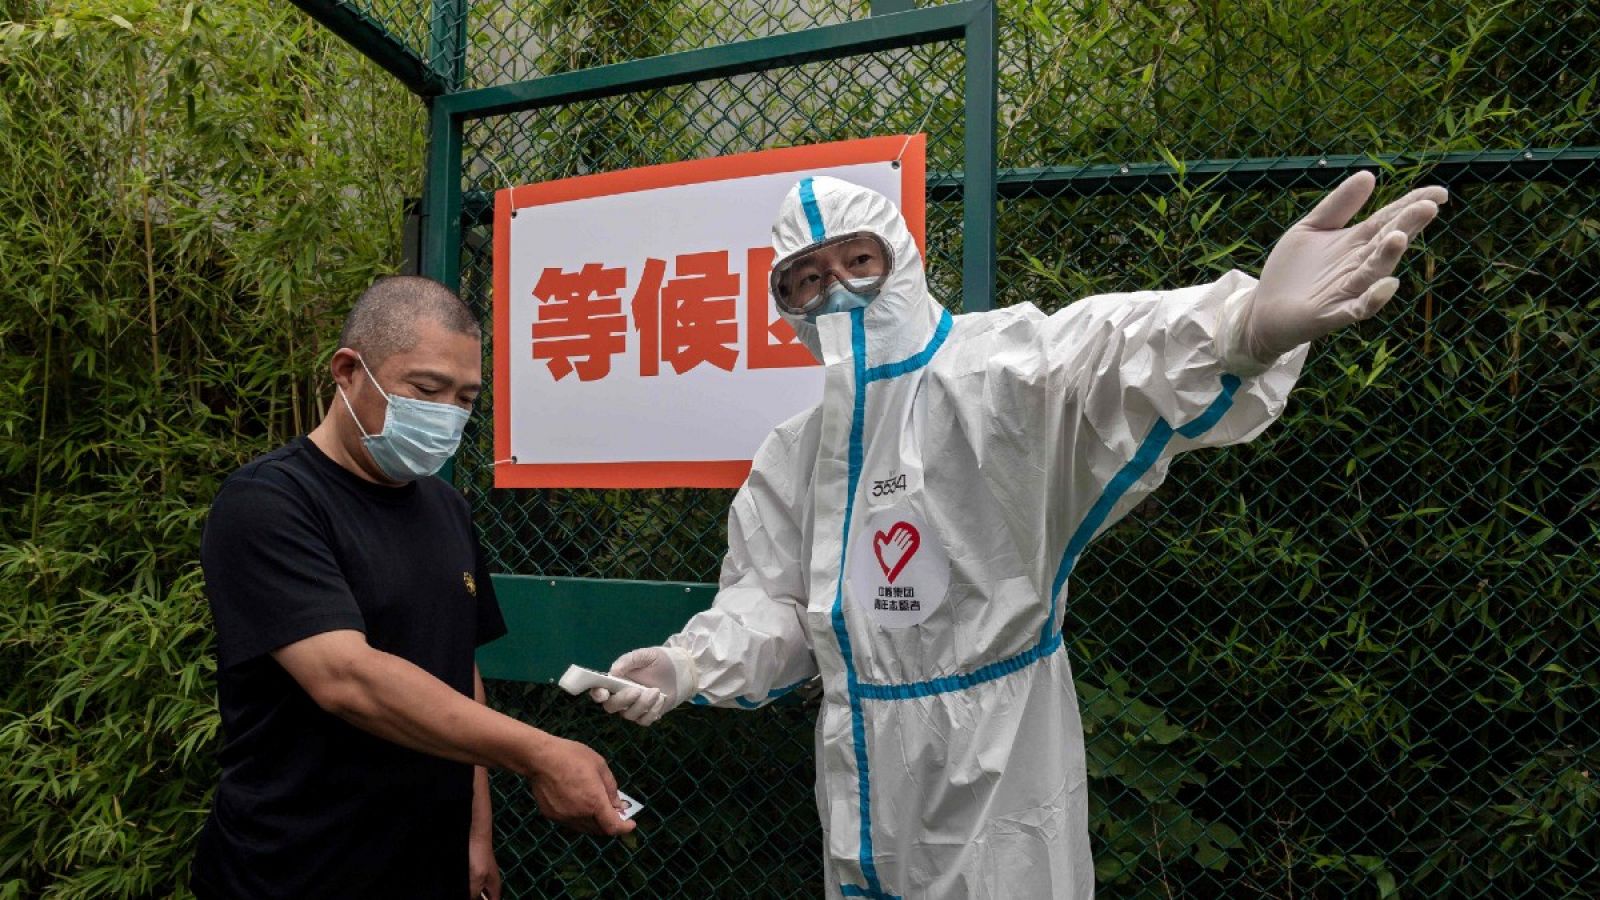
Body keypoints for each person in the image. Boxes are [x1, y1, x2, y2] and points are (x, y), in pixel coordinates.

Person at [584, 173, 1447, 898]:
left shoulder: (990, 378)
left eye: (858, 261)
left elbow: (1101, 354)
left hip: (1001, 767)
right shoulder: (796, 453)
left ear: (905, 263)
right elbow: (776, 603)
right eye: (805, 278)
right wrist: (690, 662)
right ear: (786, 303)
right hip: (861, 774)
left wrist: (1241, 328)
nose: (835, 288)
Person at [192, 276, 635, 900]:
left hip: (426, 860)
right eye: (426, 390)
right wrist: (538, 752)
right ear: (348, 371)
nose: (448, 413)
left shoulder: (446, 507)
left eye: (465, 397)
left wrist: (476, 835)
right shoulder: (269, 503)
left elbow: (461, 669)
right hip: (295, 865)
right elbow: (346, 678)